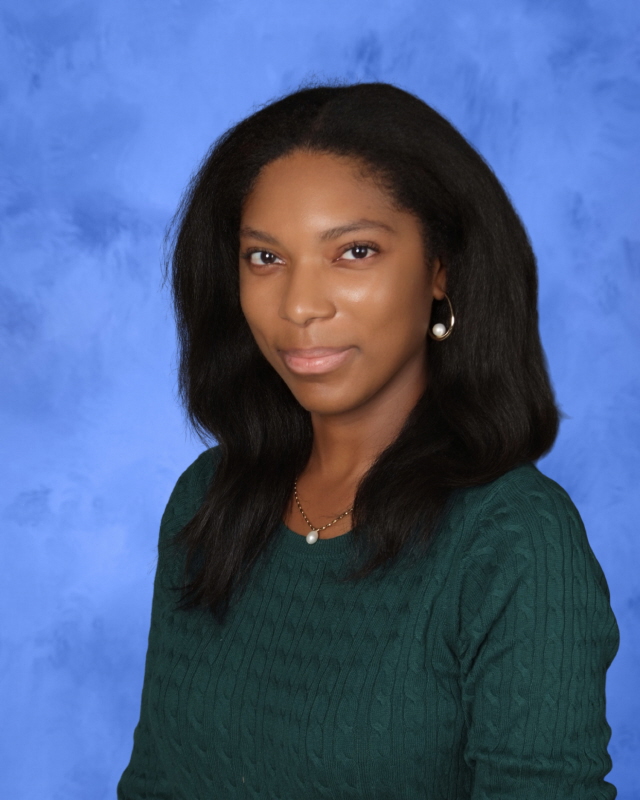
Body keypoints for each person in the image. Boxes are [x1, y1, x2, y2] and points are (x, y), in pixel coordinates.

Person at [117, 82, 619, 799]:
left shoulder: (512, 538)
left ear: (441, 268)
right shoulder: (211, 498)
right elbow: (156, 784)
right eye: (265, 258)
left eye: (354, 251)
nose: (300, 306)